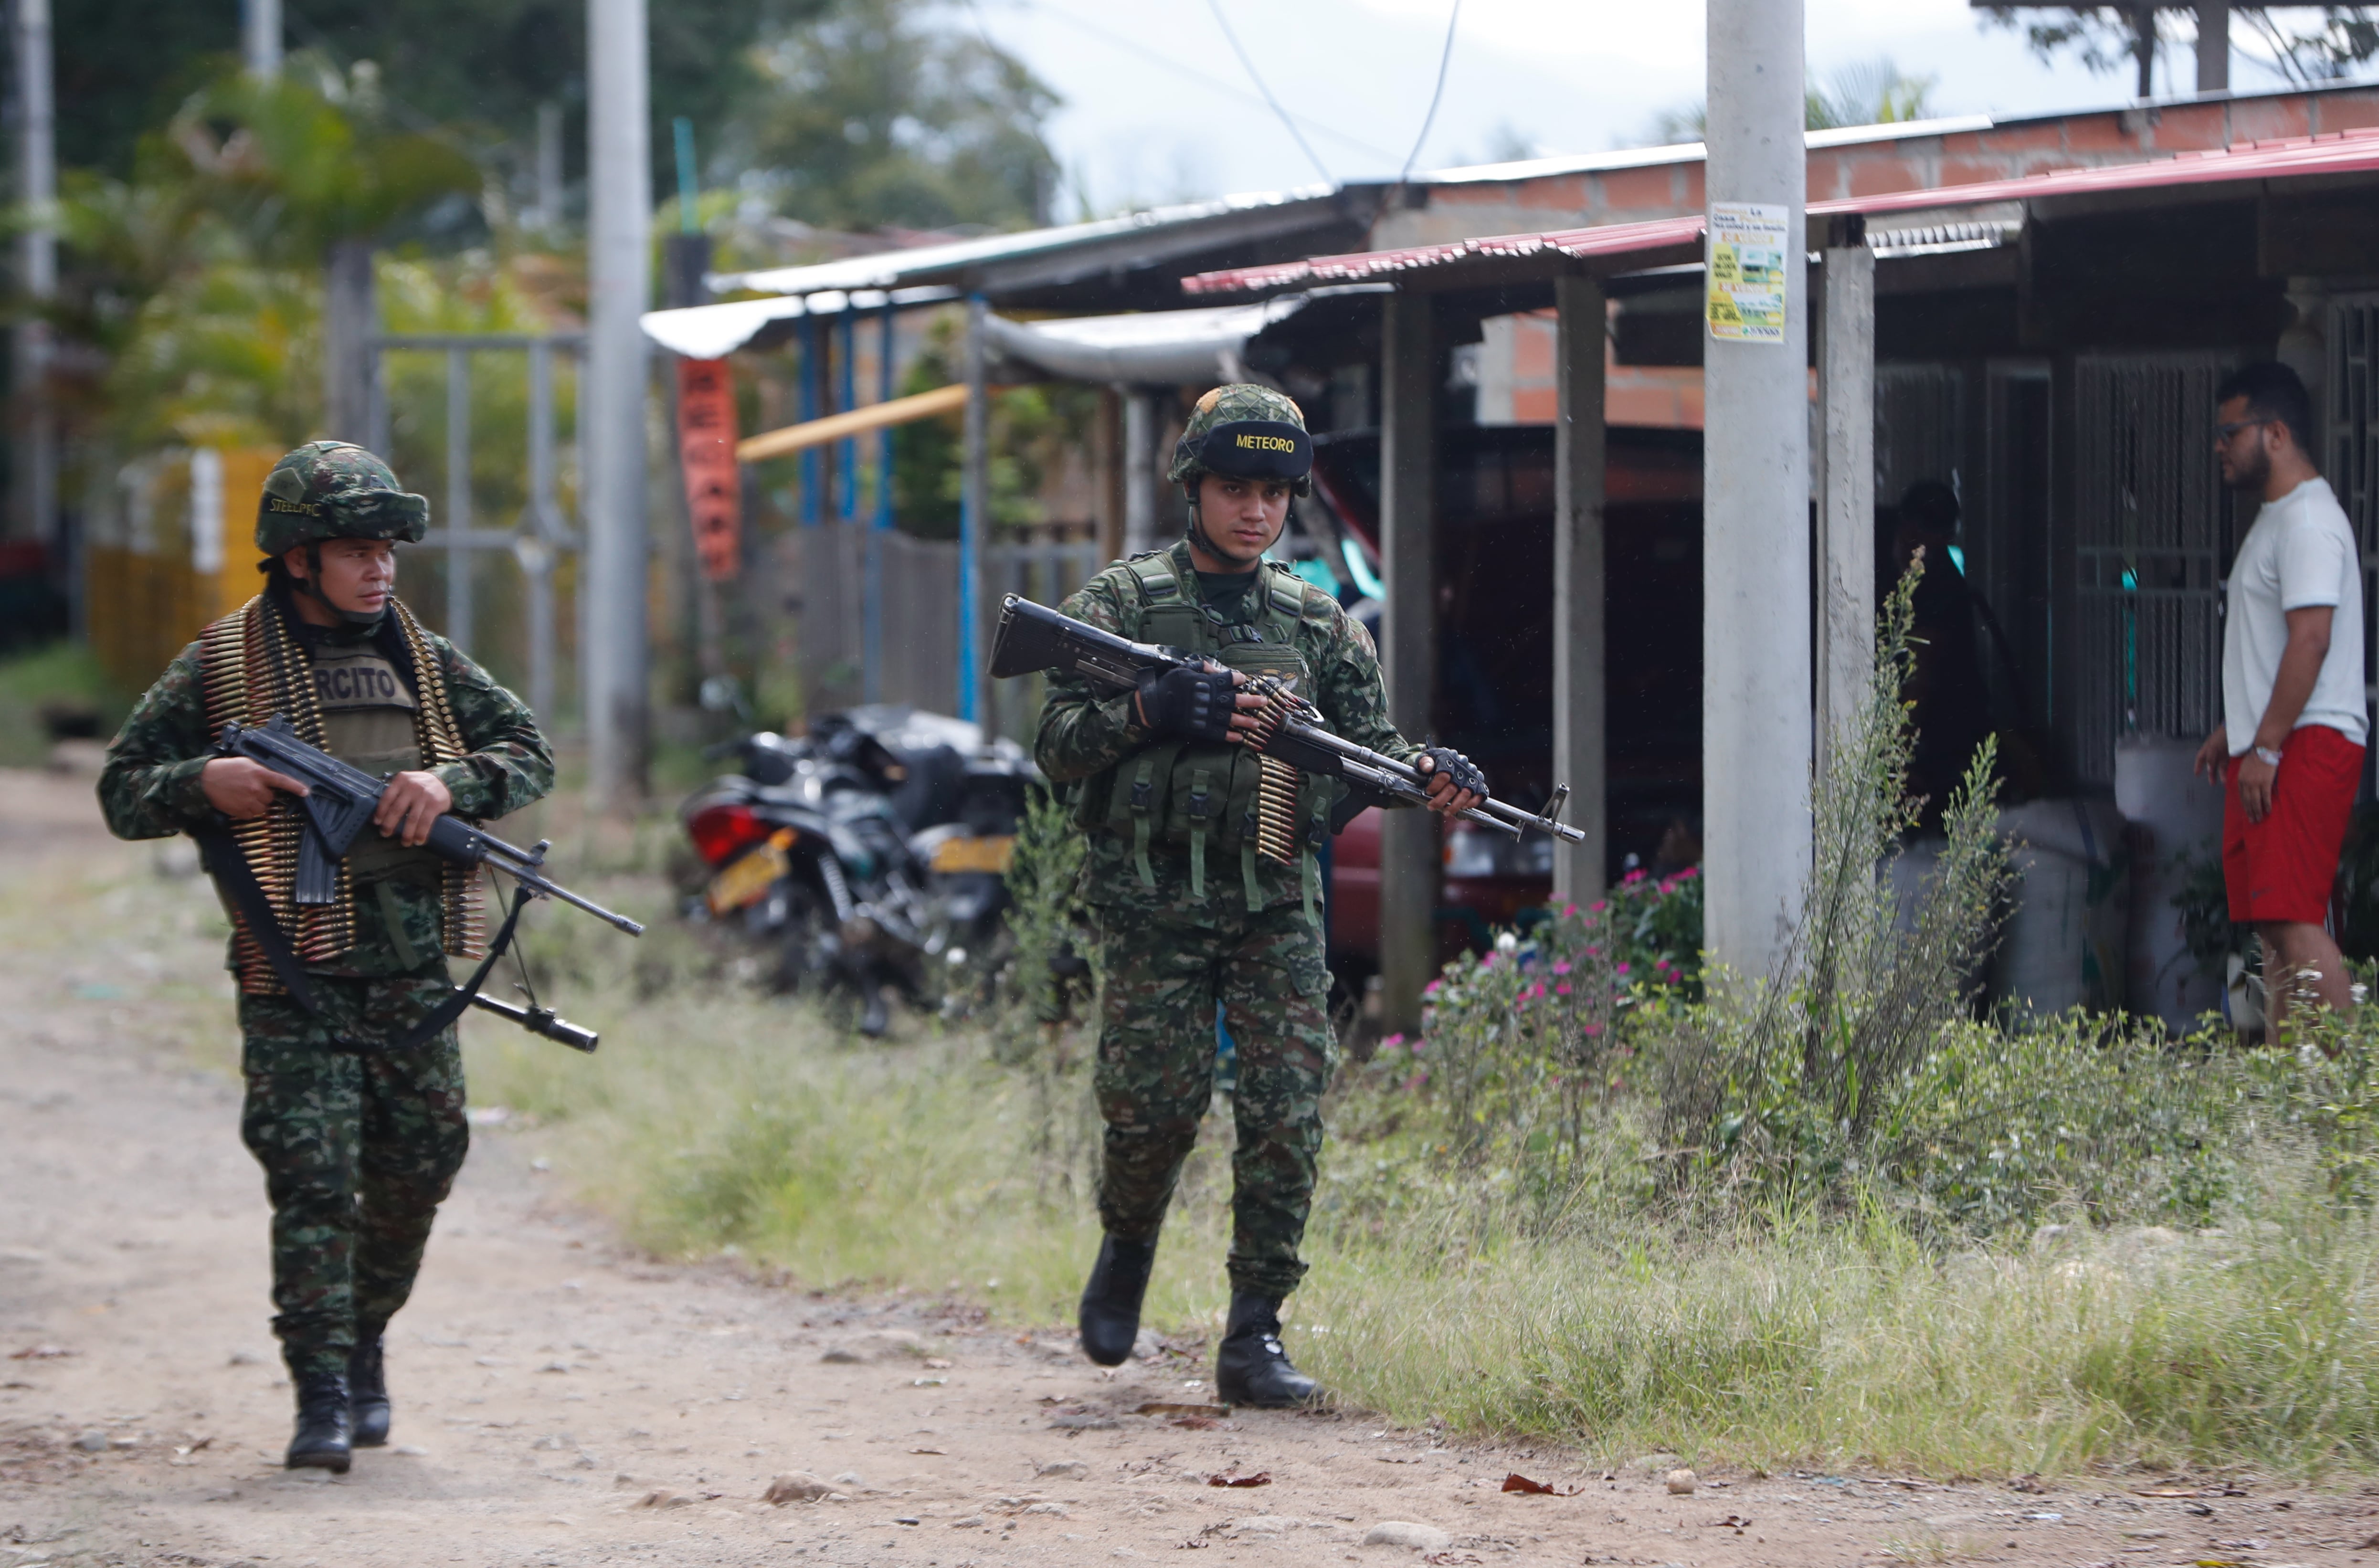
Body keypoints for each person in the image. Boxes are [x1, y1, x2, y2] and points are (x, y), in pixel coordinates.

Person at [97, 442, 554, 1471]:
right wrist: (202, 783)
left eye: (387, 548)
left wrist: (449, 781)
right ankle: (322, 1390)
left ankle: (363, 1333)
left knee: (423, 1161)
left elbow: (527, 747)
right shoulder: (222, 663)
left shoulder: (424, 661)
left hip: (409, 969)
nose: (379, 567)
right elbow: (124, 785)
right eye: (355, 548)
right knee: (313, 1178)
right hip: (292, 971)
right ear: (298, 557)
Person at [1035, 385, 1485, 1407]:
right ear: (1193, 488)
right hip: (1152, 899)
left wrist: (1434, 774)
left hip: (1274, 895)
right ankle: (1127, 1242)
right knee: (1152, 1106)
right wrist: (1150, 704)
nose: (1255, 511)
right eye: (1235, 489)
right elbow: (1057, 747)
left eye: (1275, 492)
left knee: (1286, 1110)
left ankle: (1253, 1333)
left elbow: (1373, 753)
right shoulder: (1121, 604)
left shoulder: (1315, 619)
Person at [2192, 363, 2368, 1039]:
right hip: (2272, 739)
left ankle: (2352, 1089)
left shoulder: (2309, 522)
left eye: (2230, 432)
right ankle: (2285, 1092)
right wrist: (2234, 727)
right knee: (2272, 924)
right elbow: (2273, 647)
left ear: (2277, 432)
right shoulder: (2278, 521)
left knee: (2295, 921)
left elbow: (2312, 640)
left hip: (2303, 741)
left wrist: (2265, 743)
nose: (2219, 446)